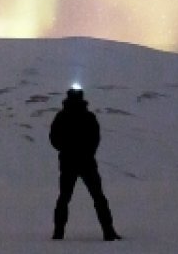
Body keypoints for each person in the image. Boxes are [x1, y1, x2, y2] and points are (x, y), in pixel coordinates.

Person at [48, 86, 121, 241]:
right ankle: (108, 231)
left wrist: (66, 149)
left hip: (68, 163)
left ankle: (58, 233)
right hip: (87, 162)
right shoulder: (88, 117)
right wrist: (86, 152)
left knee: (64, 198)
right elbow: (95, 139)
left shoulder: (62, 117)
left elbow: (54, 139)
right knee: (98, 197)